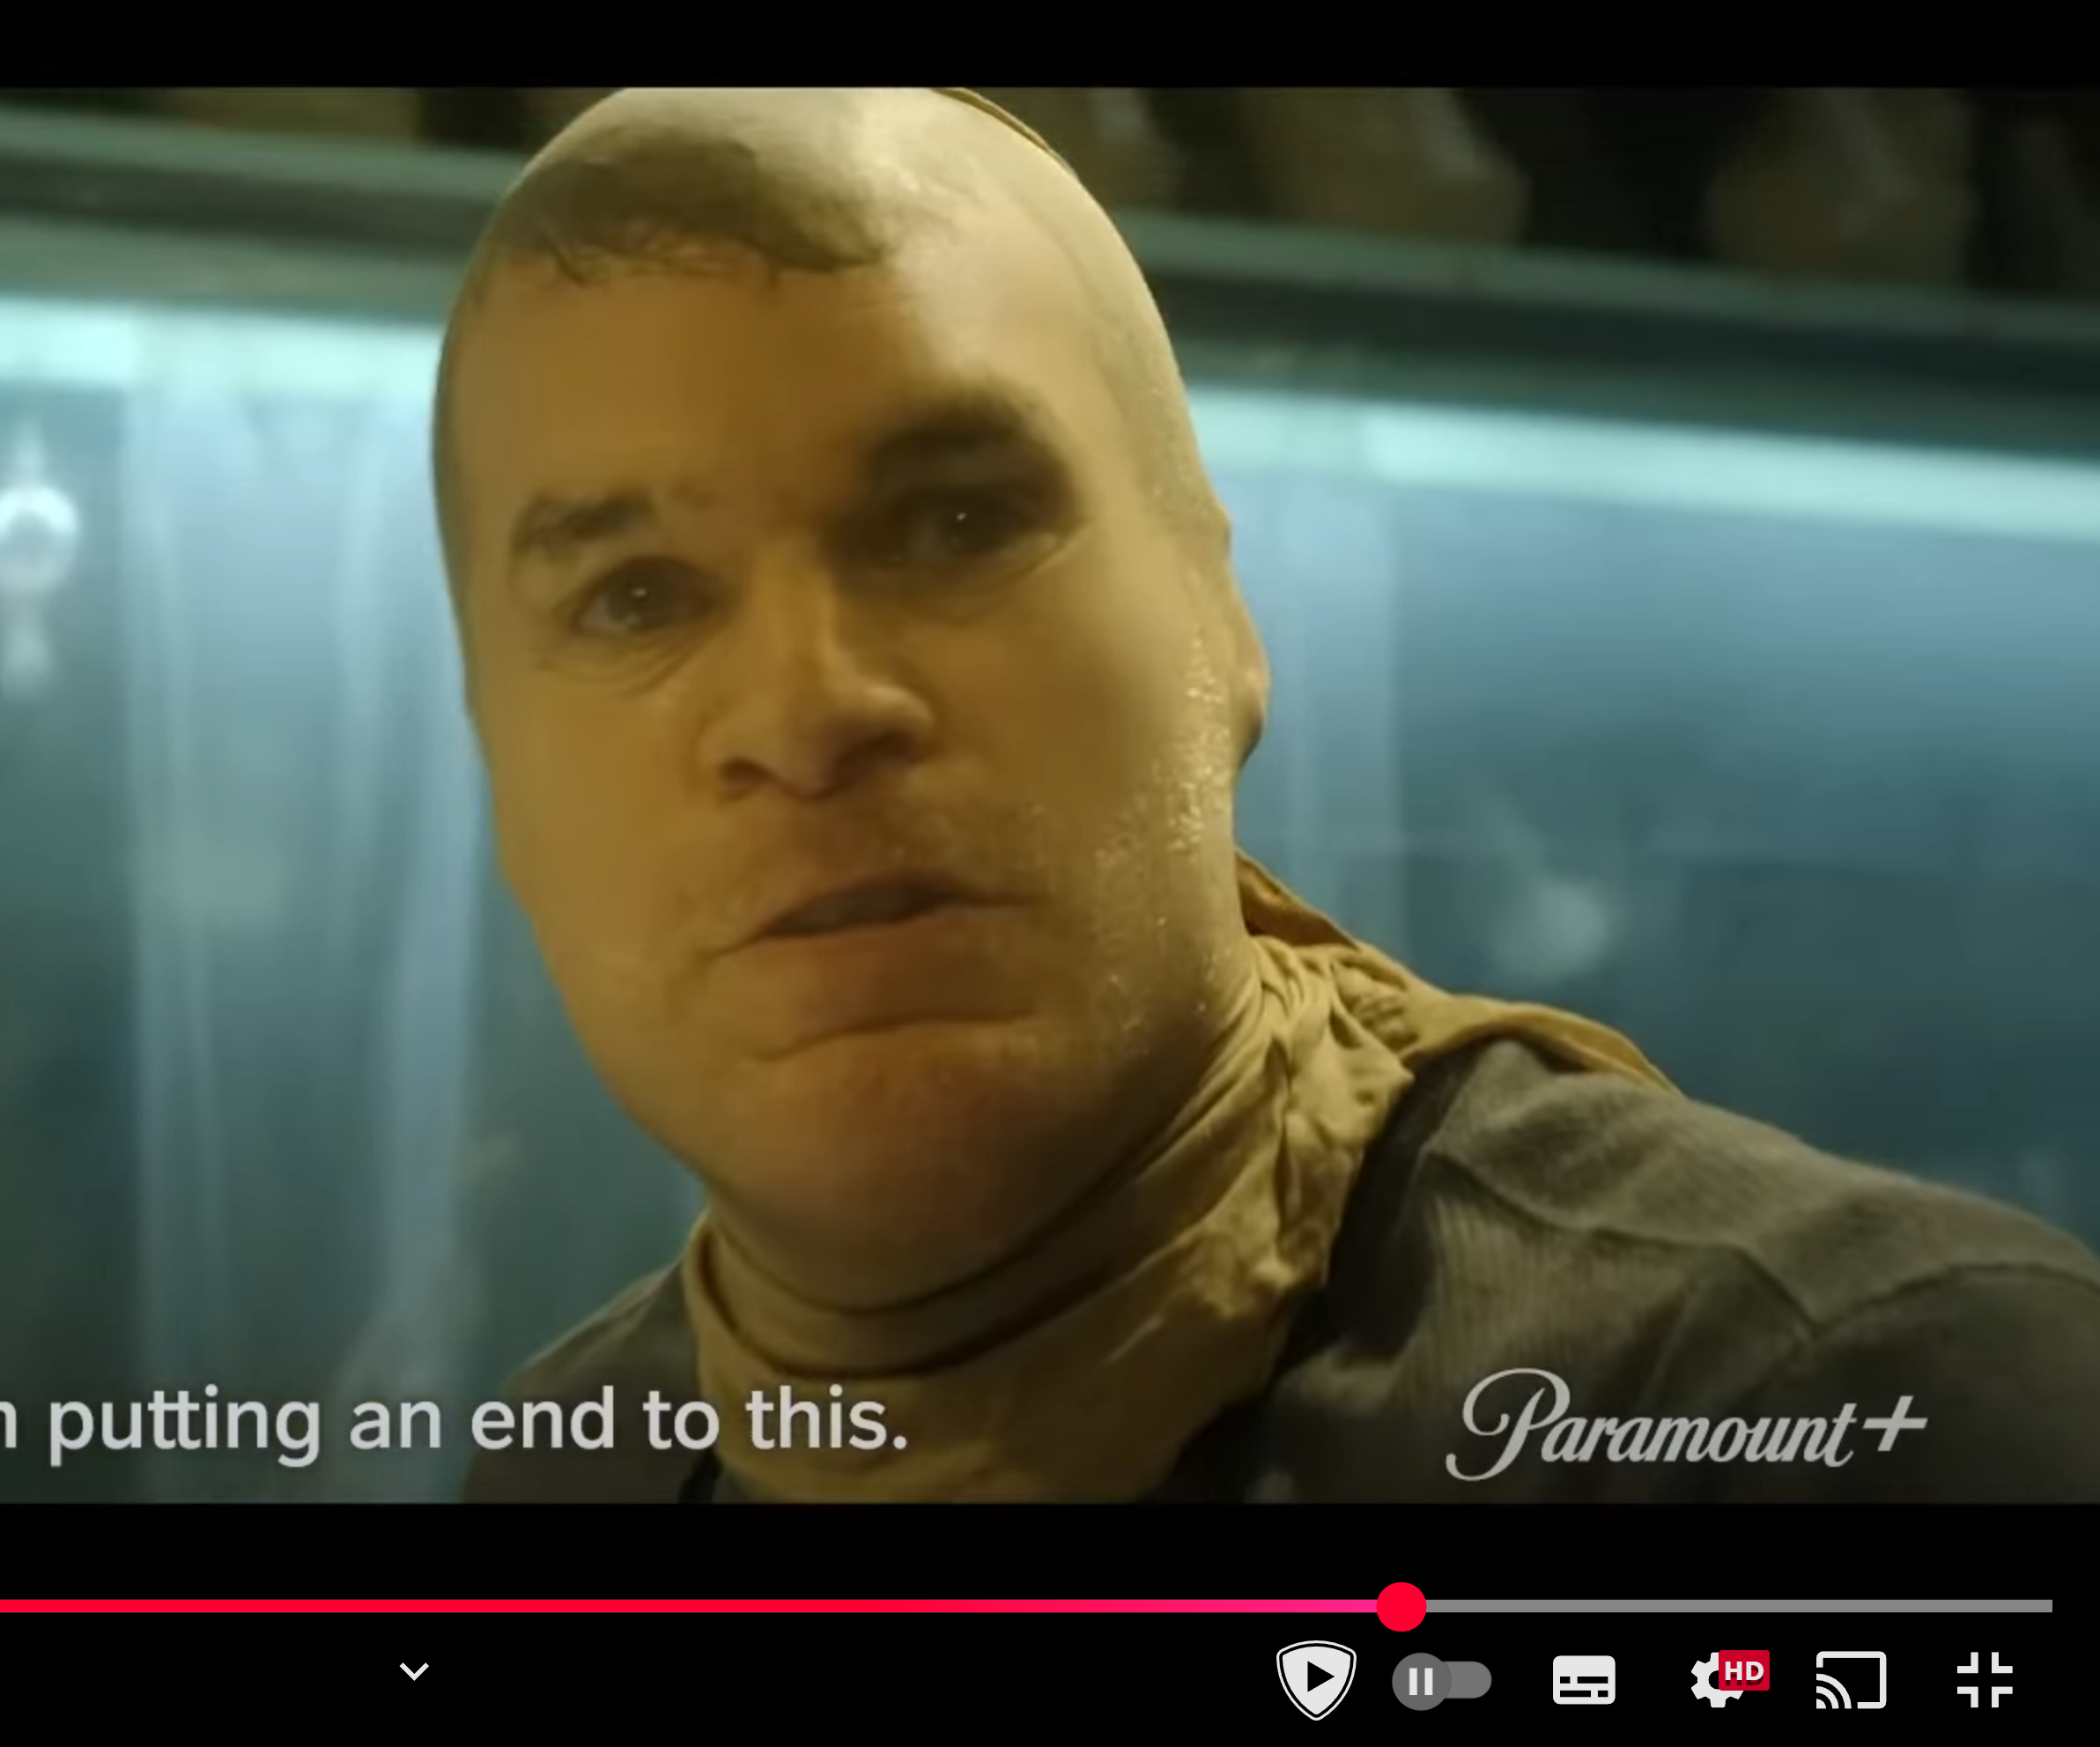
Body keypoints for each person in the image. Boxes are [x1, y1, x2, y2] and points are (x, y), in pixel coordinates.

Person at [433, 87, 2100, 1503]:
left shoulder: (1846, 1398)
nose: (807, 714)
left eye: (955, 522)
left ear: (1221, 621)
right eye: (632, 599)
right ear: (502, 770)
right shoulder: (559, 1475)